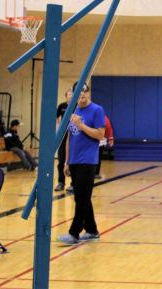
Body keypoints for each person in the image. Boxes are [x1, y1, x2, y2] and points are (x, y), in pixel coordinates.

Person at [57, 82, 105, 245]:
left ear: (89, 93)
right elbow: (70, 138)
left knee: (81, 197)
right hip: (75, 160)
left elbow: (100, 134)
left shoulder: (97, 110)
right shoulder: (73, 111)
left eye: (85, 91)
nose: (82, 94)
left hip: (88, 160)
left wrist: (81, 125)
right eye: (79, 92)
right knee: (83, 197)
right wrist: (67, 162)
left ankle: (74, 233)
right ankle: (92, 230)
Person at [55, 88, 73, 191]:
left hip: (73, 133)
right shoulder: (61, 106)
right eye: (69, 94)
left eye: (72, 93)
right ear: (66, 96)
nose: (70, 95)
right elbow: (56, 117)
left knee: (72, 159)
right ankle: (61, 182)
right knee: (61, 159)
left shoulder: (76, 106)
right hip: (63, 133)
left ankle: (73, 183)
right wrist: (59, 126)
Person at [95, 114, 114, 180]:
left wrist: (111, 139)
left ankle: (96, 173)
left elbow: (109, 128)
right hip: (91, 141)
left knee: (98, 158)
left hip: (101, 141)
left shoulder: (104, 118)